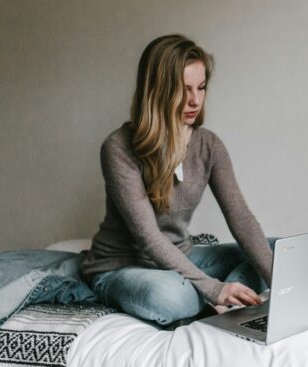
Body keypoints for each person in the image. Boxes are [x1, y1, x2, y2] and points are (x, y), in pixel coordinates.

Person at [80, 34, 274, 327]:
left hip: (183, 257)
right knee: (172, 297)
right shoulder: (118, 147)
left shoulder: (209, 144)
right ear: (157, 91)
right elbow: (149, 238)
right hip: (122, 267)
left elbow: (241, 218)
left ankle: (234, 302)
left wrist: (281, 282)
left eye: (201, 87)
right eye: (183, 90)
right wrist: (213, 288)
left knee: (280, 250)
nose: (195, 100)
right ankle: (220, 296)